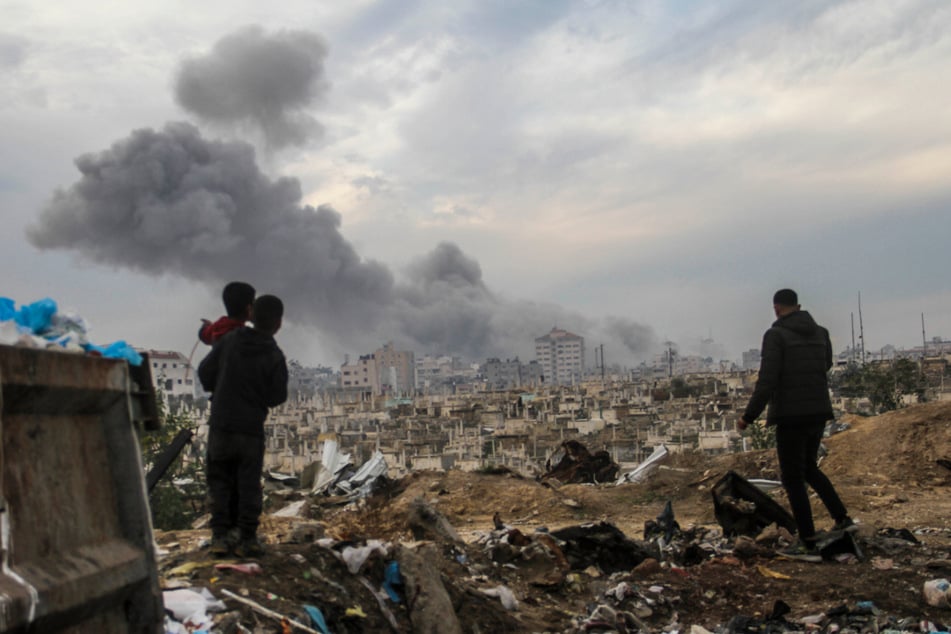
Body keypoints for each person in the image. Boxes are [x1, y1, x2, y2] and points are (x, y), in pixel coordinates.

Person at [738, 289, 856, 562]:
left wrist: (749, 416)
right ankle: (841, 518)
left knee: (793, 478)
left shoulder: (775, 335)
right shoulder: (821, 333)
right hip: (818, 411)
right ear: (798, 306)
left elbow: (767, 381)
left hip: (791, 414)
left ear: (777, 308)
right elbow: (825, 365)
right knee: (810, 469)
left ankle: (807, 542)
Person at [198, 295, 288, 557]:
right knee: (248, 484)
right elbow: (277, 397)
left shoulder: (230, 341)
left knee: (220, 481)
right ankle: (247, 539)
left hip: (222, 424)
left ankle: (220, 538)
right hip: (250, 428)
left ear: (251, 314)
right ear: (278, 323)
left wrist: (223, 386)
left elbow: (205, 372)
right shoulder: (274, 355)